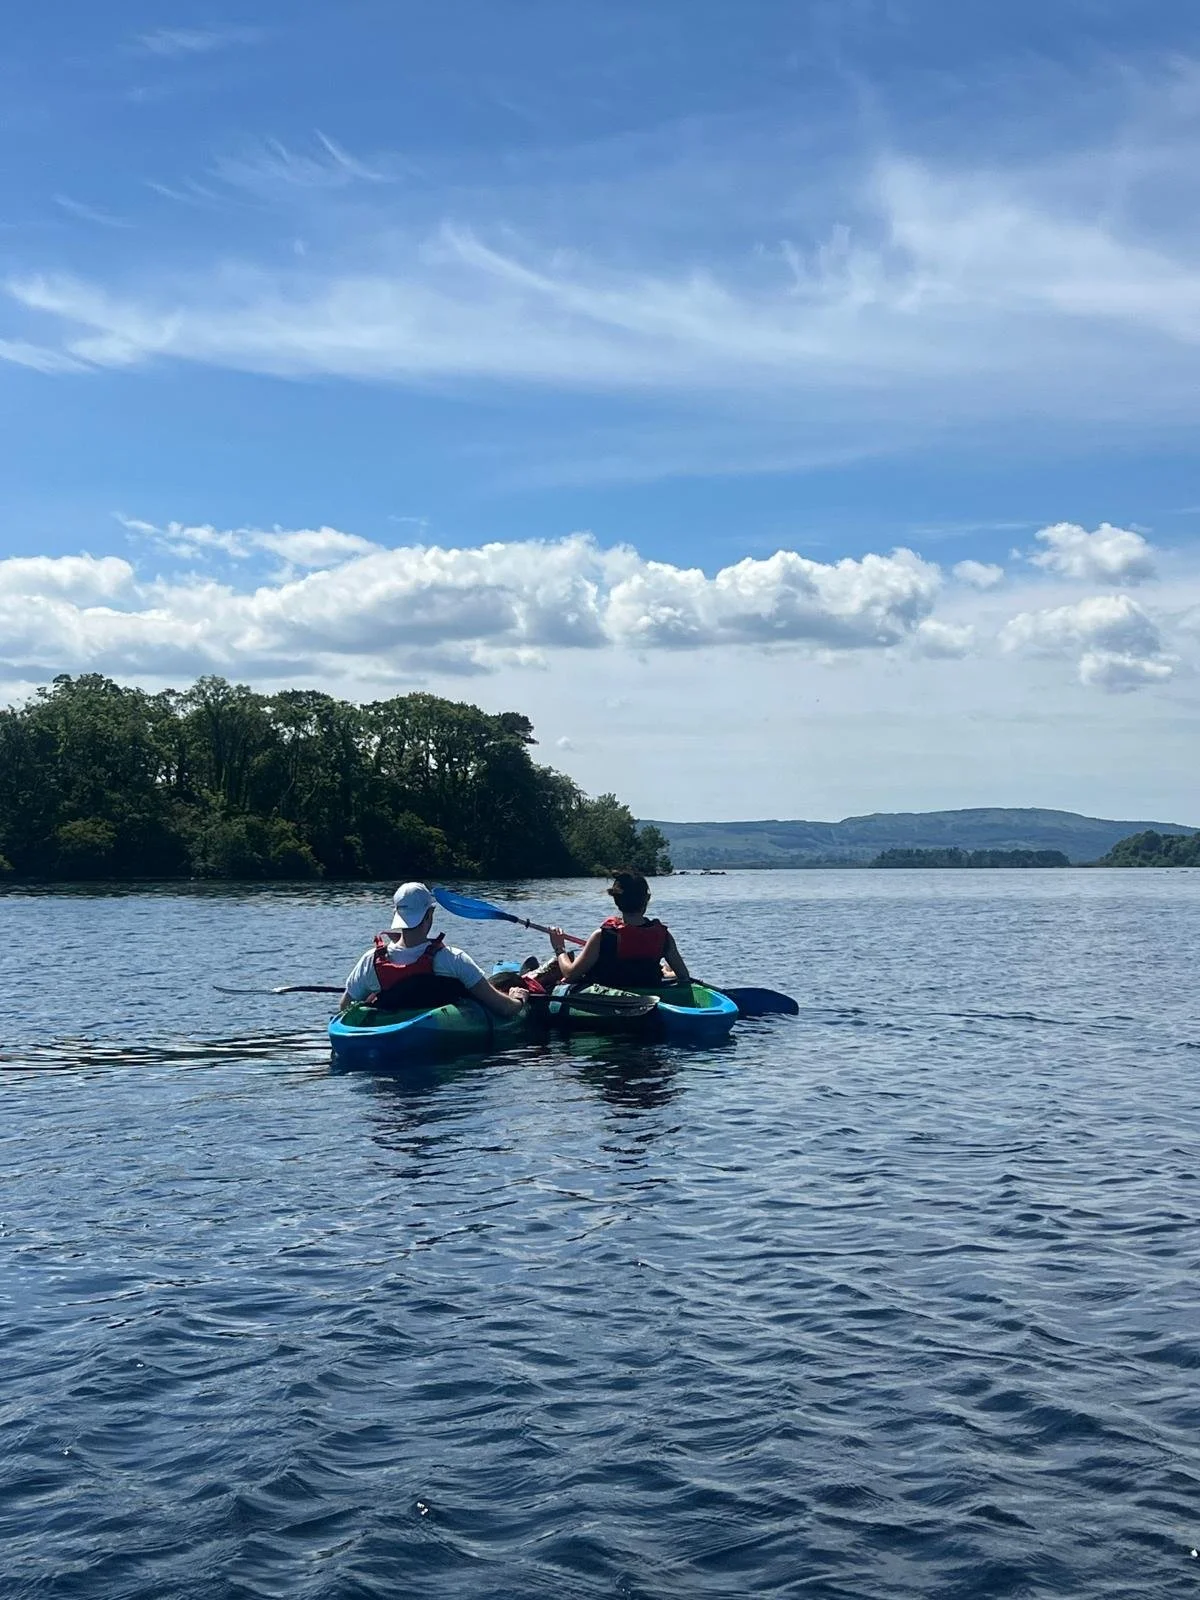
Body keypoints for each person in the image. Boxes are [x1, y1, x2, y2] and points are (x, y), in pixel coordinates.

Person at [340, 882, 528, 1018]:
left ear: (396, 915)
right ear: (430, 914)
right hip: (439, 1043)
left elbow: (345, 1007)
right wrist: (517, 1000)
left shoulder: (370, 961)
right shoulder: (453, 960)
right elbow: (503, 1008)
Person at [545, 868, 690, 990]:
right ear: (647, 899)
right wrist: (666, 972)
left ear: (617, 900)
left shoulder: (602, 936)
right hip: (649, 992)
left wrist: (559, 949)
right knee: (667, 969)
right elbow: (683, 976)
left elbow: (570, 975)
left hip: (609, 1000)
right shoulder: (663, 936)